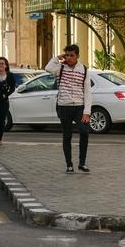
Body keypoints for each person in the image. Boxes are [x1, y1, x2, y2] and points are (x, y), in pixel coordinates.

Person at [45, 43, 94, 173]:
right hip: (64, 107)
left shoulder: (84, 69)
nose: (69, 58)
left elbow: (88, 91)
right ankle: (69, 164)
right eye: (67, 55)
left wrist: (87, 112)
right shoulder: (60, 68)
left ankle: (82, 163)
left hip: (79, 107)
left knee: (84, 132)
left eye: (72, 55)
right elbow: (48, 68)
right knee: (67, 136)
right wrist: (58, 57)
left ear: (77, 56)